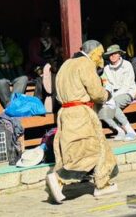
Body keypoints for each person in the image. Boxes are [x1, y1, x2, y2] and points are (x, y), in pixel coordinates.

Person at [47, 40, 119, 204]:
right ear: (93, 53)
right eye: (100, 55)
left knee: (98, 148)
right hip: (81, 113)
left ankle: (103, 183)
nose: (101, 59)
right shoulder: (85, 64)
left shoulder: (66, 64)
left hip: (66, 111)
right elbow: (96, 92)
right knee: (85, 150)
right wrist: (106, 93)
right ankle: (59, 178)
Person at [97, 45, 136, 141]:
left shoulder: (127, 65)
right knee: (100, 108)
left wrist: (111, 98)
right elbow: (107, 84)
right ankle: (119, 130)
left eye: (115, 53)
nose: (113, 56)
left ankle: (130, 130)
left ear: (119, 54)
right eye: (110, 54)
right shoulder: (106, 68)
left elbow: (127, 86)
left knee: (112, 104)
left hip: (128, 92)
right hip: (112, 94)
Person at [27, 21, 61, 103]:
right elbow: (33, 57)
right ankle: (39, 100)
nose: (46, 29)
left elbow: (60, 52)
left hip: (53, 65)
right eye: (44, 27)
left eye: (48, 27)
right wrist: (47, 63)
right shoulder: (34, 42)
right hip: (39, 65)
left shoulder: (54, 40)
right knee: (42, 76)